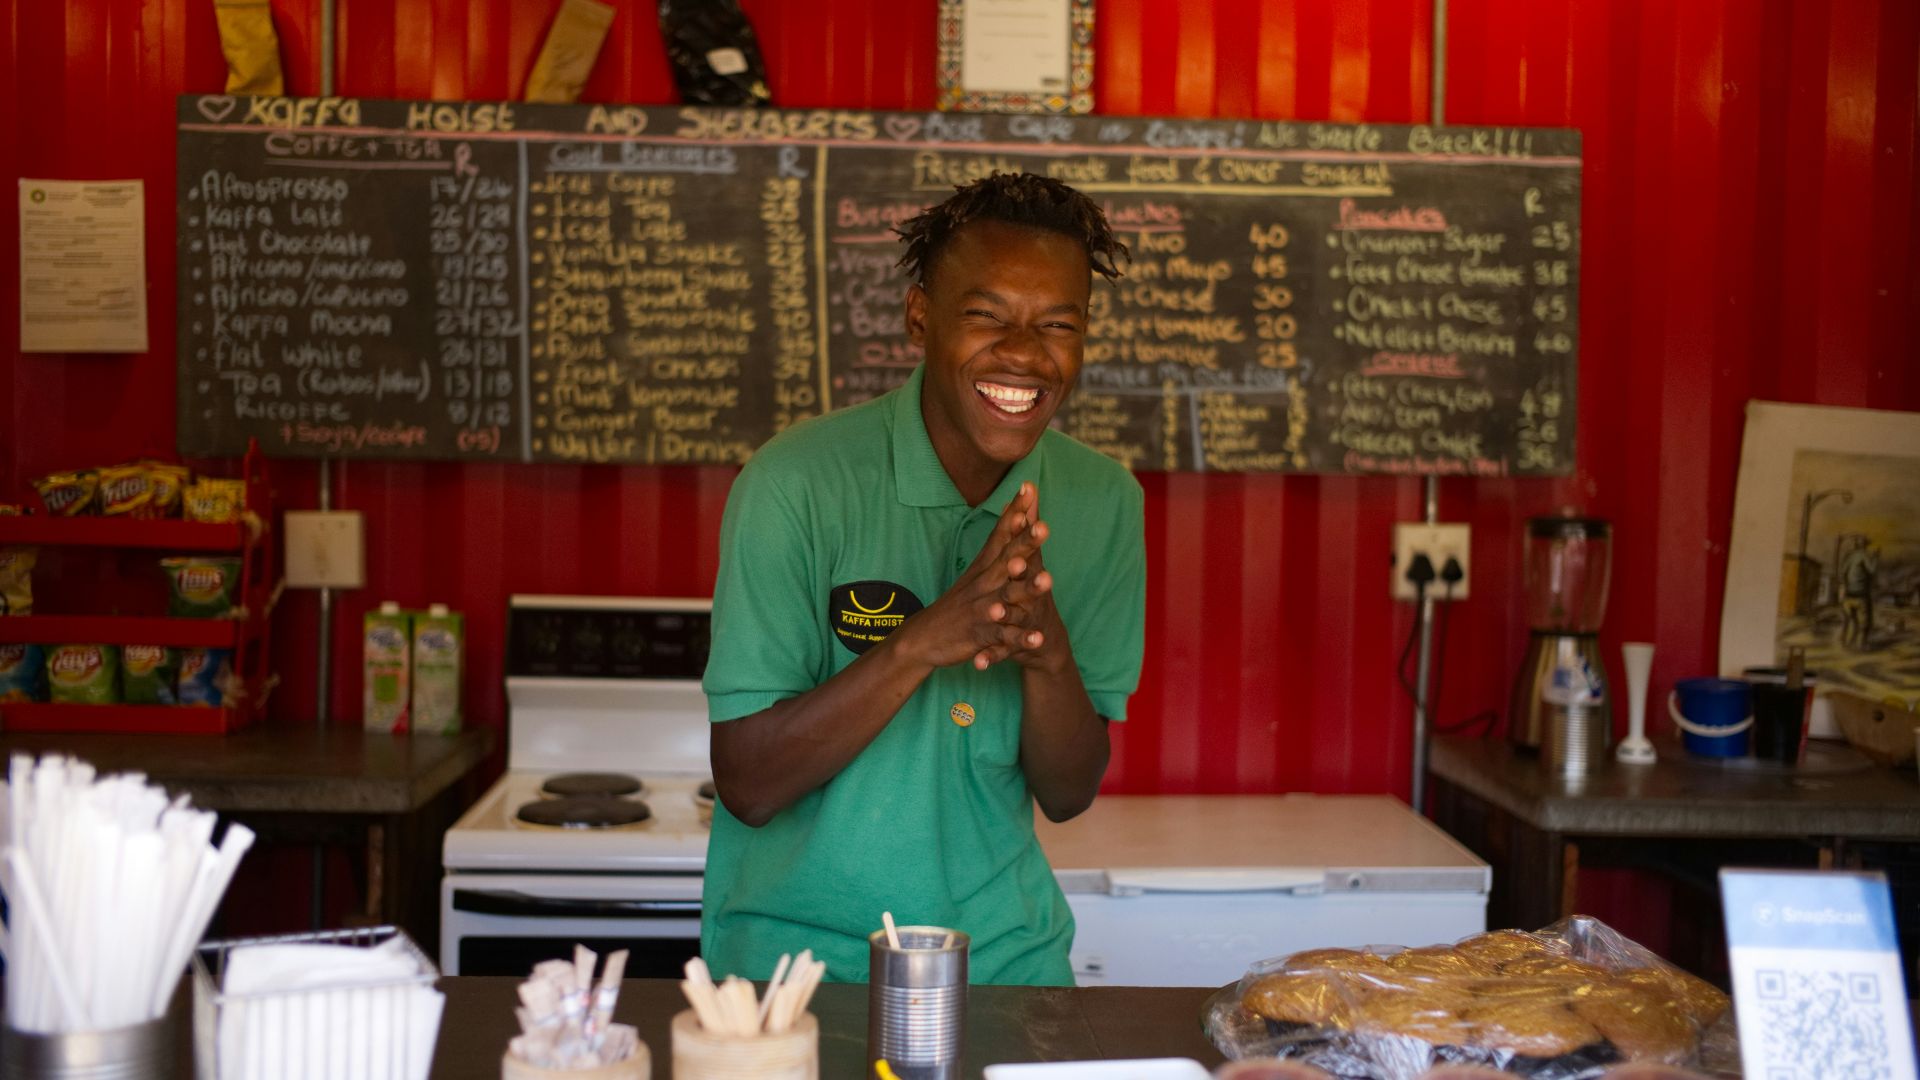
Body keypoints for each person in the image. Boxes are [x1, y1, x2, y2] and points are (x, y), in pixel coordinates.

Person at [699, 173, 1145, 986]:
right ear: (919, 318)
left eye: (1058, 323)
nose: (1025, 352)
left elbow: (1068, 794)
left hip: (1005, 968)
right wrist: (925, 640)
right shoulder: (793, 483)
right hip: (796, 974)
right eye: (987, 316)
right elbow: (750, 784)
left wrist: (1047, 654)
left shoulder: (1104, 500)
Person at [1838, 539, 1879, 648]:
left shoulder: (1849, 556)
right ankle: (1861, 645)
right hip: (1860, 595)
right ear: (1864, 545)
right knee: (1864, 622)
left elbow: (1842, 573)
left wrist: (1845, 587)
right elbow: (1872, 570)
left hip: (1848, 595)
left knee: (1849, 621)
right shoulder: (1864, 555)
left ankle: (1845, 642)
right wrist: (1875, 557)